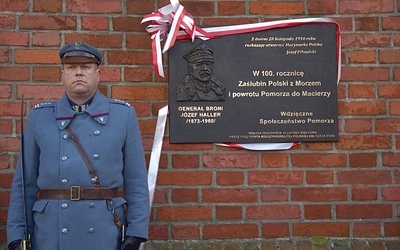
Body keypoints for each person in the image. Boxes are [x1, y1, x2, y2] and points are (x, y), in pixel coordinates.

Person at [7, 41, 150, 250]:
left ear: (98, 74)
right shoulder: (40, 117)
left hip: (104, 231)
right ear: (62, 74)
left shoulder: (123, 115)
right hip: (50, 233)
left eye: (86, 67)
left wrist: (136, 231)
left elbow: (136, 181)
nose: (79, 73)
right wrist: (17, 233)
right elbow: (24, 184)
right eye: (72, 68)